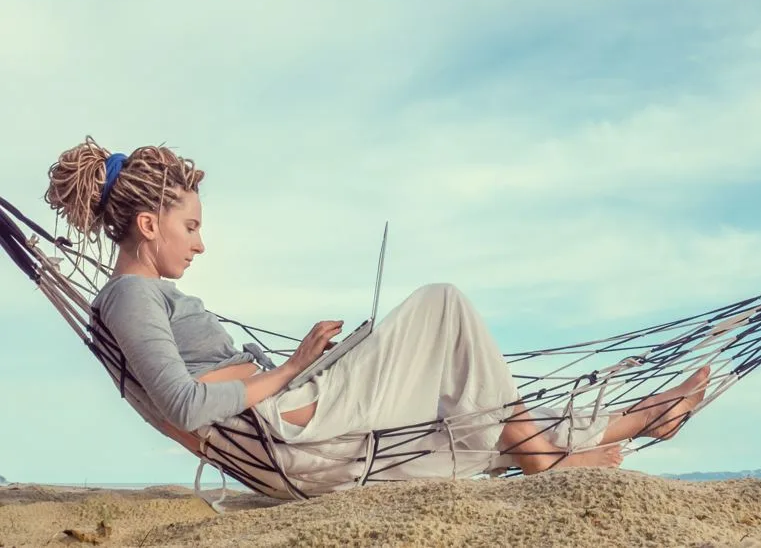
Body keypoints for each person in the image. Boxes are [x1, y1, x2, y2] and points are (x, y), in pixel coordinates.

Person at [45, 138, 709, 490]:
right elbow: (186, 408)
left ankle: (647, 416)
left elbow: (187, 400)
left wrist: (308, 367)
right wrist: (298, 367)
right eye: (190, 226)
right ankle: (549, 462)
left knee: (466, 407)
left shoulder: (132, 299)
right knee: (443, 306)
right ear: (147, 222)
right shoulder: (131, 296)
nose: (200, 242)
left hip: (296, 418)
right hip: (291, 427)